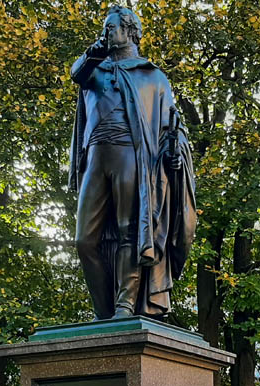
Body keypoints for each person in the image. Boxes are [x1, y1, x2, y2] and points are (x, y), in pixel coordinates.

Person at [69, 6, 197, 320]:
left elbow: (171, 127)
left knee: (130, 231)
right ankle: (103, 311)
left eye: (111, 28)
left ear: (129, 31)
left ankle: (125, 306)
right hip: (98, 155)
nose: (106, 33)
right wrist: (94, 52)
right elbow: (77, 73)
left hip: (132, 156)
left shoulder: (151, 76)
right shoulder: (93, 71)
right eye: (105, 28)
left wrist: (174, 155)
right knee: (84, 240)